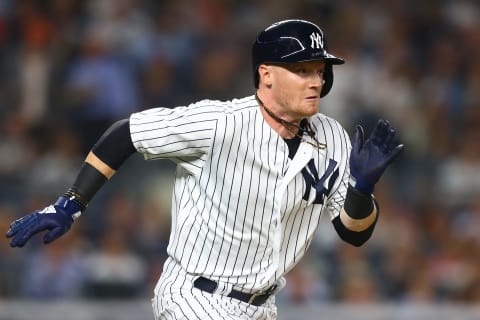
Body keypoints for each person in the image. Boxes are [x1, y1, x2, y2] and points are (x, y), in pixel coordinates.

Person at [6, 19, 404, 319]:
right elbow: (125, 133)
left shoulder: (333, 137)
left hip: (264, 306)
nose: (315, 79)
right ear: (265, 74)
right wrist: (69, 203)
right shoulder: (219, 123)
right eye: (301, 70)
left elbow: (352, 234)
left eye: (319, 70)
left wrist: (362, 191)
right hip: (195, 298)